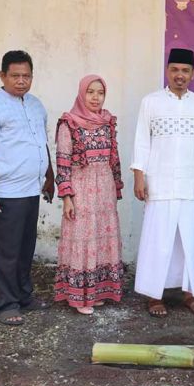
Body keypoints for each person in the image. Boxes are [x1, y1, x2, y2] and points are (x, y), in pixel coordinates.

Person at [131, 48, 194, 318]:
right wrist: (139, 176)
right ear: (167, 72)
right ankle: (153, 296)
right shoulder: (151, 102)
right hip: (159, 182)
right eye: (174, 70)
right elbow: (141, 141)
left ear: (193, 74)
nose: (179, 75)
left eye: (184, 71)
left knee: (189, 239)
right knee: (158, 240)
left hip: (191, 183)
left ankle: (189, 294)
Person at [0, 50, 54, 326]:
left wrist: (49, 176)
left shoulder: (35, 105)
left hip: (31, 190)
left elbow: (42, 143)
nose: (21, 81)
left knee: (24, 248)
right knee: (5, 252)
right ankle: (6, 304)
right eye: (15, 75)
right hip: (5, 193)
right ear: (2, 76)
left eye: (26, 75)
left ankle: (23, 296)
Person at [53, 75, 124, 315]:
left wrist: (116, 187)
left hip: (104, 188)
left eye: (100, 93)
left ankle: (96, 292)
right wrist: (66, 197)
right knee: (83, 239)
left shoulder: (107, 122)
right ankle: (80, 296)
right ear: (81, 94)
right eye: (90, 92)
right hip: (81, 189)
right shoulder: (69, 123)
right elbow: (62, 162)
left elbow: (114, 157)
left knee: (102, 239)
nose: (95, 97)